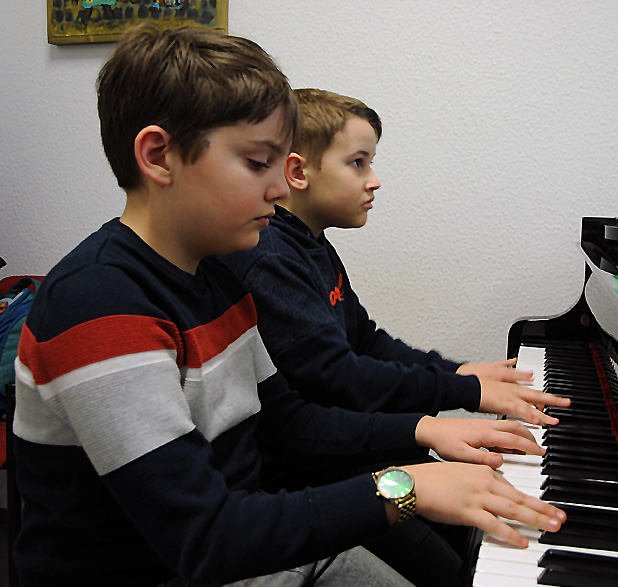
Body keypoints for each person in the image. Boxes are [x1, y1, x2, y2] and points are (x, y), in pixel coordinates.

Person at [12, 25, 565, 587]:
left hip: (250, 542)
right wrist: (403, 487)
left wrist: (426, 433)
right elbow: (205, 538)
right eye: (258, 163)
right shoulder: (99, 306)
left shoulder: (215, 272)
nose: (281, 187)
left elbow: (287, 426)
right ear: (159, 156)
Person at [217, 88, 570, 428]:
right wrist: (467, 391)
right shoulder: (270, 258)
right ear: (298, 173)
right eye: (357, 163)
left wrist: (458, 372)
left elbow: (365, 341)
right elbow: (338, 377)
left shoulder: (311, 243)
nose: (374, 181)